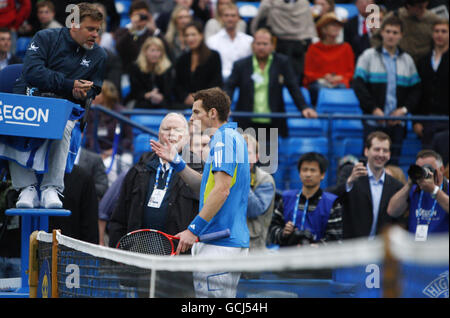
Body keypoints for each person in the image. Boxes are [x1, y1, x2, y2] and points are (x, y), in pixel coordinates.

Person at [2, 3, 106, 209]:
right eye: (90, 29)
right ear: (74, 25)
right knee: (9, 122)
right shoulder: (45, 37)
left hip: (65, 106)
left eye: (98, 29)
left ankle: (52, 187)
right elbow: (32, 71)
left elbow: (96, 88)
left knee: (64, 125)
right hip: (30, 98)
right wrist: (69, 84)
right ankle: (26, 188)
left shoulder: (99, 55)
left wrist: (84, 92)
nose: (95, 34)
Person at [150, 87, 250, 298]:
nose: (191, 117)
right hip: (227, 242)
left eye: (196, 112)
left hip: (219, 244)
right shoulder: (233, 137)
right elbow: (207, 187)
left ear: (212, 113)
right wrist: (177, 163)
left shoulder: (223, 140)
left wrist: (193, 229)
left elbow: (221, 191)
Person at [108, 112, 202, 247]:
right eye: (166, 129)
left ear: (187, 138)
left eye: (177, 130)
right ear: (159, 135)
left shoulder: (199, 169)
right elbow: (120, 215)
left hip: (179, 255)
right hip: (138, 251)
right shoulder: (139, 167)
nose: (171, 134)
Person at [225, 28, 317, 140]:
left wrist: (304, 107)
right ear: (253, 45)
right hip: (246, 122)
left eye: (265, 44)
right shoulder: (241, 65)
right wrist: (225, 107)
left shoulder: (282, 62)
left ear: (272, 46)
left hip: (272, 122)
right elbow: (229, 87)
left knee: (269, 157)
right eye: (258, 43)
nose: (261, 47)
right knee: (244, 156)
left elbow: (293, 86)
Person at [353, 15, 421, 165]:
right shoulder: (368, 56)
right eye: (388, 31)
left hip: (397, 124)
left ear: (401, 35)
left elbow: (416, 90)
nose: (391, 35)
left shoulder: (407, 60)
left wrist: (403, 110)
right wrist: (373, 109)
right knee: (368, 164)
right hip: (372, 121)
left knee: (393, 166)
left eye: (395, 32)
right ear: (382, 32)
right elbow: (358, 86)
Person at [334, 131, 406, 239]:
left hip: (380, 249)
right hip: (353, 246)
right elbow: (336, 198)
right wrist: (349, 182)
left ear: (389, 155)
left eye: (385, 150)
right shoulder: (350, 173)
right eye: (377, 149)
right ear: (366, 151)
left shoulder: (396, 186)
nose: (381, 154)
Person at [268, 152, 343, 247]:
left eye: (313, 170)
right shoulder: (286, 198)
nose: (308, 174)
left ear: (322, 175)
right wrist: (283, 233)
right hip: (288, 259)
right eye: (304, 170)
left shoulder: (332, 203)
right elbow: (271, 230)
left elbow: (336, 239)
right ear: (299, 173)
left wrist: (317, 247)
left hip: (318, 260)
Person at [249, 0, 317, 83]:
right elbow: (256, 25)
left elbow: (310, 30)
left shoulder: (304, 4)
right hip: (278, 46)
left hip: (299, 49)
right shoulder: (270, 3)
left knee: (295, 82)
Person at [387, 149, 449, 239]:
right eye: (420, 169)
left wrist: (434, 191)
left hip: (440, 249)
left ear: (441, 169)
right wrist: (408, 185)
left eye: (428, 168)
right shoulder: (414, 189)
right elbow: (392, 211)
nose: (424, 173)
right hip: (415, 249)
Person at [303, 12, 355, 106]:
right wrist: (323, 77)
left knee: (342, 87)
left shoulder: (346, 48)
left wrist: (339, 77)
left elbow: (350, 72)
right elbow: (308, 73)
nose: (337, 28)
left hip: (340, 82)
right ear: (323, 29)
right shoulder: (313, 48)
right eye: (333, 25)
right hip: (319, 83)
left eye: (338, 25)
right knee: (320, 89)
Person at [413, 19, 449, 151]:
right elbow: (417, 92)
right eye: (436, 31)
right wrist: (416, 120)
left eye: (444, 31)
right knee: (428, 162)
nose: (439, 34)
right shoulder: (423, 61)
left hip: (447, 121)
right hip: (427, 121)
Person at [174, 21, 223, 108]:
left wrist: (199, 98)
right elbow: (177, 84)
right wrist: (185, 97)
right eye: (187, 35)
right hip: (185, 105)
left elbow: (216, 82)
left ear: (201, 35)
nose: (190, 38)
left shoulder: (213, 56)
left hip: (207, 105)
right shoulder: (182, 59)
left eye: (193, 34)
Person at [49, 165, 99, 244]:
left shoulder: (82, 177)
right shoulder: (25, 177)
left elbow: (90, 230)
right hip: (27, 249)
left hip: (68, 251)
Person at [242, 134, 276, 252]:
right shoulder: (226, 176)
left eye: (248, 153)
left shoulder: (265, 179)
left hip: (253, 246)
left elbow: (254, 210)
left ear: (256, 157)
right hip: (229, 242)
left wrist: (242, 177)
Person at [114, 0, 165, 75]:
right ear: (131, 16)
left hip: (151, 72)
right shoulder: (123, 31)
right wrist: (132, 30)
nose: (140, 18)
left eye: (143, 15)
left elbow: (165, 48)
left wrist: (155, 30)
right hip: (128, 72)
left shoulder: (151, 32)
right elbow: (119, 48)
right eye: (137, 15)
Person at [382, 0, 441, 64]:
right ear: (409, 6)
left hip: (424, 63)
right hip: (399, 62)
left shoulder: (433, 19)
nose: (423, 10)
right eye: (420, 7)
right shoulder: (395, 16)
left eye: (425, 6)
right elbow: (376, 37)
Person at [206, 3, 253, 81]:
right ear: (221, 18)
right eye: (226, 15)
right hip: (220, 82)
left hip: (243, 82)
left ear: (238, 18)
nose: (230, 19)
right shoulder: (212, 41)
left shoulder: (249, 41)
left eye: (233, 15)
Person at [129, 36, 174, 109]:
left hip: (162, 102)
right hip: (141, 100)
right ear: (145, 52)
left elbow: (169, 92)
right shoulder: (136, 68)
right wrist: (149, 95)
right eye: (152, 50)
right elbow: (135, 92)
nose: (155, 54)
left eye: (158, 50)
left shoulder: (167, 68)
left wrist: (160, 97)